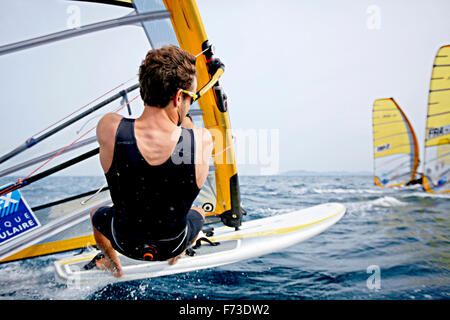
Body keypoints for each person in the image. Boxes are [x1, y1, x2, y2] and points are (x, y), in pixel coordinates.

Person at [89, 45, 213, 277]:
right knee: (200, 212)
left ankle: (113, 265)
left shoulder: (109, 127)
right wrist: (184, 121)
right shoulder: (201, 140)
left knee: (96, 214)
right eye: (192, 97)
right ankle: (179, 255)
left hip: (123, 241)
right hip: (172, 243)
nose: (190, 103)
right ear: (178, 97)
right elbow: (186, 131)